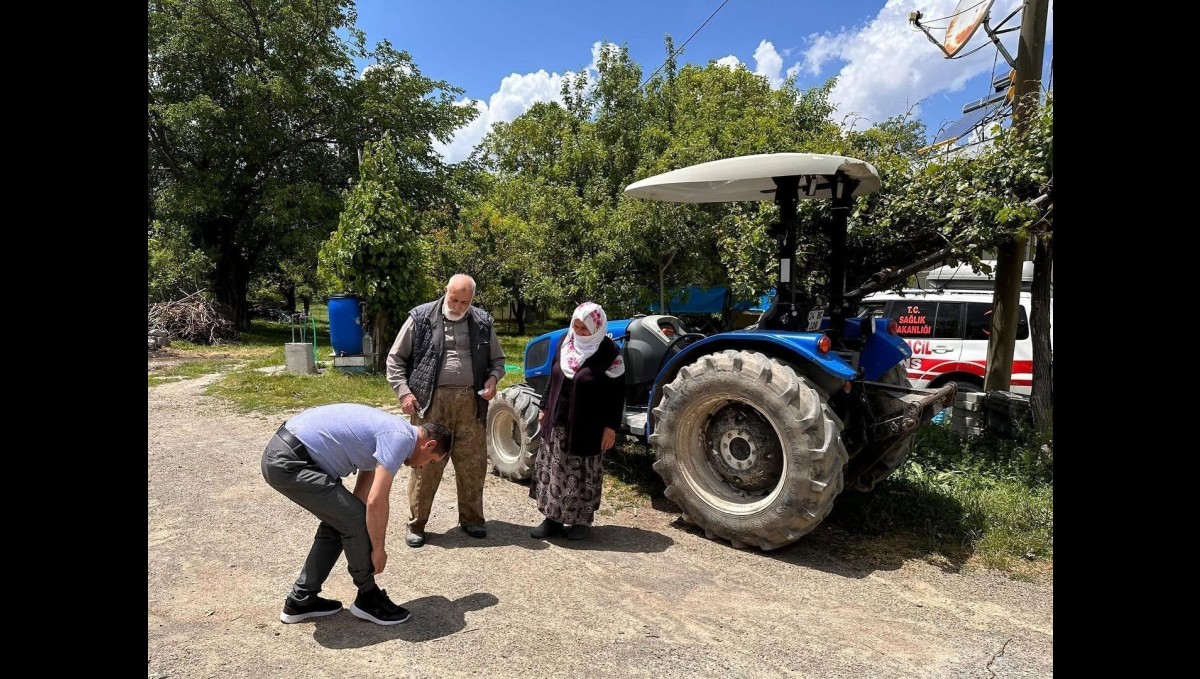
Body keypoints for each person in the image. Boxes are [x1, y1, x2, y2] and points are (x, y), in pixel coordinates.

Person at [261, 403, 452, 626]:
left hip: (286, 455)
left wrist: (354, 525)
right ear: (429, 444)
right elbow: (376, 501)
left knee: (344, 518)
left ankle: (301, 601)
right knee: (352, 518)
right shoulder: (400, 439)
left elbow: (362, 496)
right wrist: (378, 550)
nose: (422, 467)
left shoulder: (391, 431)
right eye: (430, 461)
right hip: (291, 462)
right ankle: (368, 597)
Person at [386, 273, 506, 547]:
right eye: (454, 299)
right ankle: (417, 524)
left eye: (465, 301)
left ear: (472, 299)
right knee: (425, 468)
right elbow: (395, 359)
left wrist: (493, 379)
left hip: (470, 404)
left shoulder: (482, 321)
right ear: (445, 292)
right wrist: (404, 393)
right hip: (431, 404)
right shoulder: (420, 317)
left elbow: (497, 360)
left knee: (473, 465)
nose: (458, 305)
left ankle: (473, 520)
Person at [529, 302, 626, 541]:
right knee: (556, 470)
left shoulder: (609, 353)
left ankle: (581, 520)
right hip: (558, 421)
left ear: (597, 327)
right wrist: (544, 407)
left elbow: (617, 394)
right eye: (577, 326)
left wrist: (611, 427)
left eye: (585, 329)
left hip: (589, 425)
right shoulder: (565, 341)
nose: (580, 332)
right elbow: (554, 374)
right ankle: (552, 519)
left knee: (583, 473)